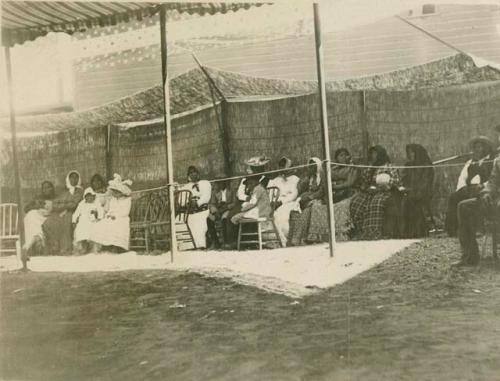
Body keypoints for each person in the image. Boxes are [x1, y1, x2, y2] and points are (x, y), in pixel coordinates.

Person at [445, 136, 495, 237]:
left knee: (476, 199)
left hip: (483, 189)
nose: (477, 150)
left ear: (486, 148)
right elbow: (462, 177)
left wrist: (483, 186)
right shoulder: (470, 162)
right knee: (453, 197)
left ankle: (478, 228)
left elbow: (493, 179)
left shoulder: (492, 161)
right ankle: (454, 230)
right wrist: (462, 188)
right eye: (476, 147)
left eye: (480, 147)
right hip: (469, 188)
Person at [349, 145, 402, 240]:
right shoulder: (370, 168)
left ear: (380, 155)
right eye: (372, 154)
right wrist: (366, 188)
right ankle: (360, 231)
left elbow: (395, 182)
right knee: (356, 203)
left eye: (375, 154)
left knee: (376, 203)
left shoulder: (390, 167)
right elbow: (364, 182)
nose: (373, 156)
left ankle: (374, 232)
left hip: (385, 192)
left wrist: (382, 187)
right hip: (369, 192)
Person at [288, 157, 330, 246]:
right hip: (308, 199)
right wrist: (306, 178)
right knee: (294, 213)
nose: (311, 168)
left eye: (313, 166)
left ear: (318, 166)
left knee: (307, 212)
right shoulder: (310, 177)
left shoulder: (322, 176)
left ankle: (299, 238)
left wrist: (310, 197)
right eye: (310, 166)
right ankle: (294, 239)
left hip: (320, 199)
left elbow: (322, 191)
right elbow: (300, 188)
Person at [42, 170, 84, 255]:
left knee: (66, 223)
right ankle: (54, 247)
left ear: (79, 179)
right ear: (68, 179)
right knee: (48, 223)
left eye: (76, 177)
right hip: (61, 212)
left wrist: (62, 204)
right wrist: (65, 204)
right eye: (71, 177)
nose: (74, 180)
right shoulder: (65, 191)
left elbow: (74, 204)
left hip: (74, 212)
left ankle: (65, 249)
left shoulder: (80, 191)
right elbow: (55, 203)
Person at [90, 174, 132, 253]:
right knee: (102, 223)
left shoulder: (127, 200)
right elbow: (108, 209)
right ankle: (106, 245)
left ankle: (118, 246)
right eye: (114, 191)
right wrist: (108, 215)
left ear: (121, 192)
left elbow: (125, 212)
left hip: (122, 218)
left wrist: (115, 216)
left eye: (117, 192)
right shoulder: (112, 199)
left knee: (116, 225)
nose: (115, 193)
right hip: (111, 217)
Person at [401, 144, 434, 238]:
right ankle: (405, 232)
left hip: (423, 192)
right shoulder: (409, 165)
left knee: (410, 201)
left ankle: (418, 231)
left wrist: (414, 191)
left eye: (412, 152)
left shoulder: (426, 166)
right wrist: (404, 187)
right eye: (409, 153)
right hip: (411, 191)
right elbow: (404, 179)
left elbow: (425, 183)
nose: (410, 155)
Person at [267, 157, 300, 246]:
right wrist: (272, 201)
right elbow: (271, 192)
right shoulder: (276, 180)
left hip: (288, 202)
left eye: (284, 166)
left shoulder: (295, 179)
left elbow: (294, 194)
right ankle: (271, 239)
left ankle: (283, 240)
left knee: (280, 214)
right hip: (275, 202)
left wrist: (281, 202)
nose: (282, 168)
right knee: (268, 213)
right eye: (280, 166)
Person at [181, 166, 212, 249]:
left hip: (202, 209)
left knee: (200, 223)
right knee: (186, 221)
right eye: (190, 173)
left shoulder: (205, 183)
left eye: (194, 172)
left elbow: (206, 196)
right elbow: (182, 199)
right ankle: (189, 246)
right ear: (188, 176)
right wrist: (188, 203)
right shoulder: (186, 186)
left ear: (198, 173)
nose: (193, 174)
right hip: (190, 210)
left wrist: (198, 203)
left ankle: (201, 245)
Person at [331, 148, 359, 240]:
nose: (343, 157)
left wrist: (335, 186)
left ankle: (343, 234)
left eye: (345, 155)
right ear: (336, 158)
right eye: (340, 155)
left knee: (341, 206)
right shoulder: (333, 169)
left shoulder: (352, 168)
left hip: (349, 192)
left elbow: (349, 183)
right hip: (336, 194)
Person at [23, 181, 56, 256]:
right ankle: (37, 238)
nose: (46, 189)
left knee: (30, 217)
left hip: (48, 217)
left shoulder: (56, 197)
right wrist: (37, 206)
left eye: (48, 187)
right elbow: (26, 208)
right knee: (29, 216)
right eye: (44, 188)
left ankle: (30, 244)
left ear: (52, 188)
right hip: (37, 216)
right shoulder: (37, 197)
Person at [72, 187, 104, 254]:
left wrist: (98, 216)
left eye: (92, 196)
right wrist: (74, 221)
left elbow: (101, 211)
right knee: (81, 230)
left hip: (93, 220)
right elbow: (76, 213)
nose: (90, 198)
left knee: (95, 229)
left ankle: (94, 247)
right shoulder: (81, 204)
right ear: (85, 197)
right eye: (88, 196)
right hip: (83, 220)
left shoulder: (96, 203)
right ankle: (84, 245)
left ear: (94, 197)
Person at [206, 179, 237, 249]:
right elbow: (212, 203)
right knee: (209, 219)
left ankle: (226, 242)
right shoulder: (215, 192)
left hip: (228, 209)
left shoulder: (231, 191)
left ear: (225, 182)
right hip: (218, 209)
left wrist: (226, 208)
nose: (220, 184)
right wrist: (215, 211)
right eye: (219, 183)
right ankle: (215, 242)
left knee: (224, 218)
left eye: (222, 182)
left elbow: (234, 203)